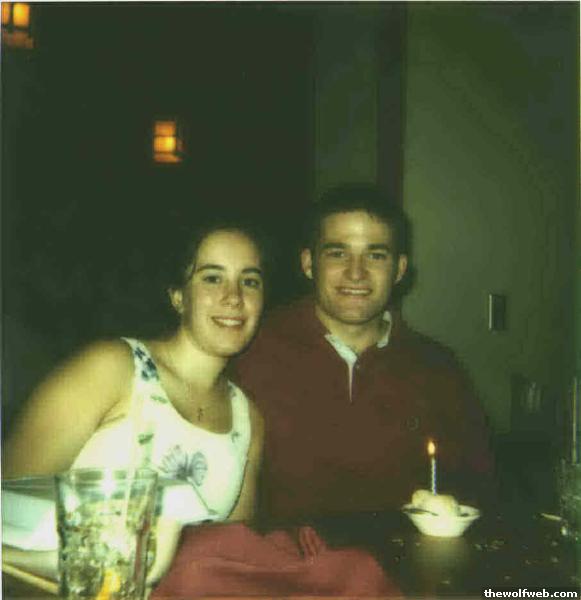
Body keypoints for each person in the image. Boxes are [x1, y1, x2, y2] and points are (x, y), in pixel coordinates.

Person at [234, 183, 496, 523]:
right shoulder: (250, 353)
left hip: (405, 555)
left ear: (399, 269)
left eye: (375, 255)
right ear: (309, 263)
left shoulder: (440, 371)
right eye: (337, 253)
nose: (355, 273)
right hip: (279, 555)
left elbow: (479, 494)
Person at [3, 217, 266, 524]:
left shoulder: (247, 421)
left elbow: (233, 548)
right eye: (212, 278)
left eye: (250, 282)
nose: (234, 297)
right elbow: (7, 498)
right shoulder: (110, 369)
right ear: (179, 297)